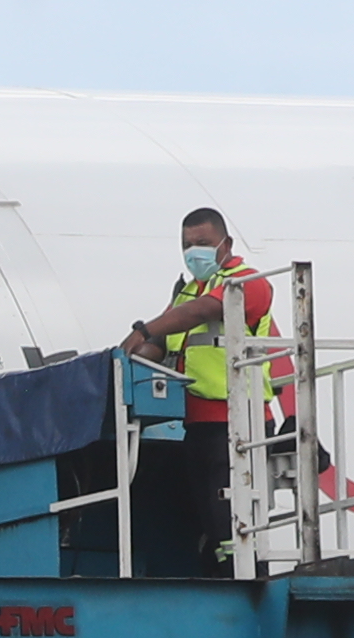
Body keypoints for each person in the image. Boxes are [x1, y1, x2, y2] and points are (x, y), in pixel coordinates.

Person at [117, 204, 273, 578]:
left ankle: (245, 576)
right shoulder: (187, 291)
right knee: (207, 515)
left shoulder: (247, 282)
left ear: (226, 243)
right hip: (197, 423)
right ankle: (222, 572)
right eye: (187, 244)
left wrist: (143, 329)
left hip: (239, 422)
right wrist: (134, 353)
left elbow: (200, 312)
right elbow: (164, 339)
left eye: (202, 243)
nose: (194, 252)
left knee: (231, 520)